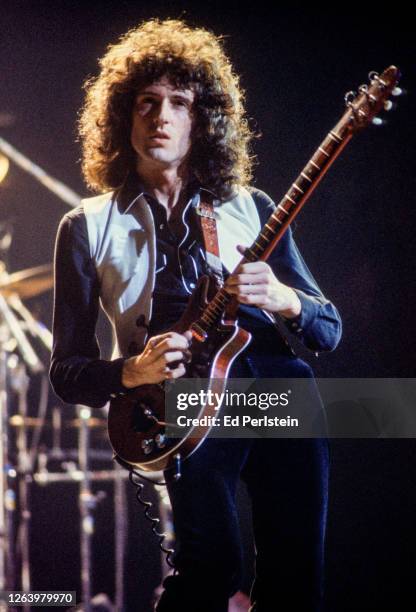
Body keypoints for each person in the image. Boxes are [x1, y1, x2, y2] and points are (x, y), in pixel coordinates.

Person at [50, 19, 342, 612]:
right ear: (121, 118)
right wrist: (131, 372)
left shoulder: (251, 207)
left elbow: (329, 328)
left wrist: (285, 298)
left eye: (179, 103)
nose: (161, 117)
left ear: (201, 119)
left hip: (277, 388)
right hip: (182, 400)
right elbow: (68, 370)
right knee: (209, 573)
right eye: (146, 103)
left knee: (297, 577)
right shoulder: (86, 226)